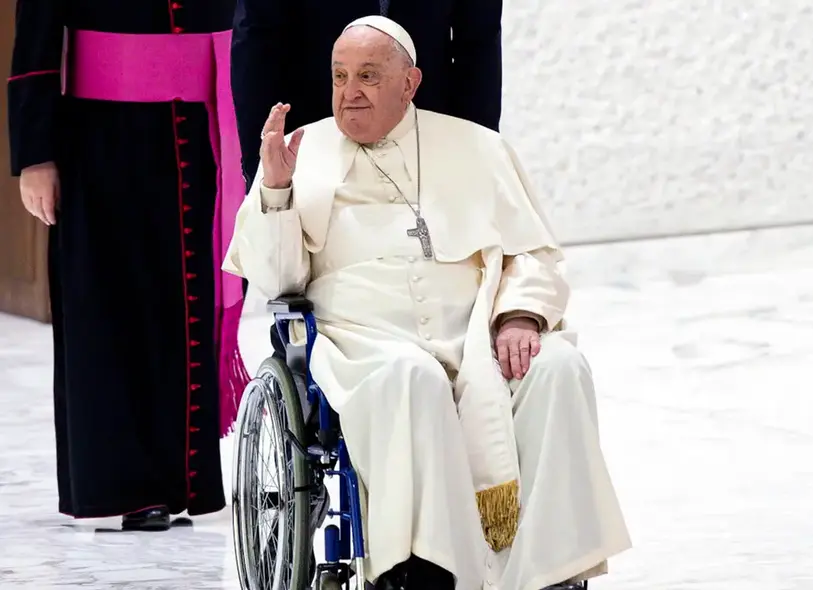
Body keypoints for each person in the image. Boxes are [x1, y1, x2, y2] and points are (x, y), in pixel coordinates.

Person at [223, 16, 631, 590]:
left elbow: (533, 253)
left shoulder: (477, 147)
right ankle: (424, 571)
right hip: (361, 341)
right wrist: (276, 190)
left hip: (476, 332)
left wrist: (519, 315)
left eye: (368, 76)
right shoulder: (301, 152)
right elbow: (278, 281)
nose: (349, 92)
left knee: (558, 366)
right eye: (339, 76)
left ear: (410, 83)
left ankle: (548, 573)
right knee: (413, 377)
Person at [7, 0, 250, 530]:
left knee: (184, 312)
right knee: (112, 312)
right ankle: (128, 485)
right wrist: (35, 155)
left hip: (204, 131)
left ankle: (184, 479)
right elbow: (35, 42)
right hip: (103, 141)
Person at [230, 0, 502, 186]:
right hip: (314, 142)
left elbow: (478, 42)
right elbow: (258, 39)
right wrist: (261, 167)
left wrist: (477, 151)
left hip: (429, 136)